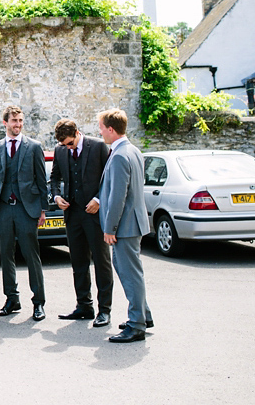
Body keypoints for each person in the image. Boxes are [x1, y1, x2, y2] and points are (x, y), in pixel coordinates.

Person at [0, 105, 49, 321]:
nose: (18, 125)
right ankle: (12, 299)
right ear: (5, 123)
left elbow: (41, 180)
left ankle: (38, 302)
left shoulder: (33, 147)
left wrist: (42, 209)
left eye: (20, 121)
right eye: (14, 121)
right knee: (5, 255)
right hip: (3, 208)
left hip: (26, 208)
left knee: (32, 255)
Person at [50, 119, 113, 327]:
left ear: (77, 133)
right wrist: (57, 197)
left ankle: (105, 310)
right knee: (78, 262)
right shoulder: (60, 151)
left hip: (94, 213)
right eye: (64, 145)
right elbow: (55, 178)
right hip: (72, 214)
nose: (68, 148)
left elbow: (110, 178)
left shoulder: (97, 146)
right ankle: (84, 306)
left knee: (102, 262)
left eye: (70, 143)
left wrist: (99, 199)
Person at [97, 108, 153, 343]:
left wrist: (110, 228)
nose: (100, 132)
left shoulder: (120, 155)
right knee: (132, 272)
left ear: (111, 129)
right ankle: (144, 315)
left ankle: (137, 324)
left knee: (130, 274)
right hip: (133, 223)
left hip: (125, 226)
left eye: (101, 128)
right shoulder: (133, 150)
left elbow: (118, 196)